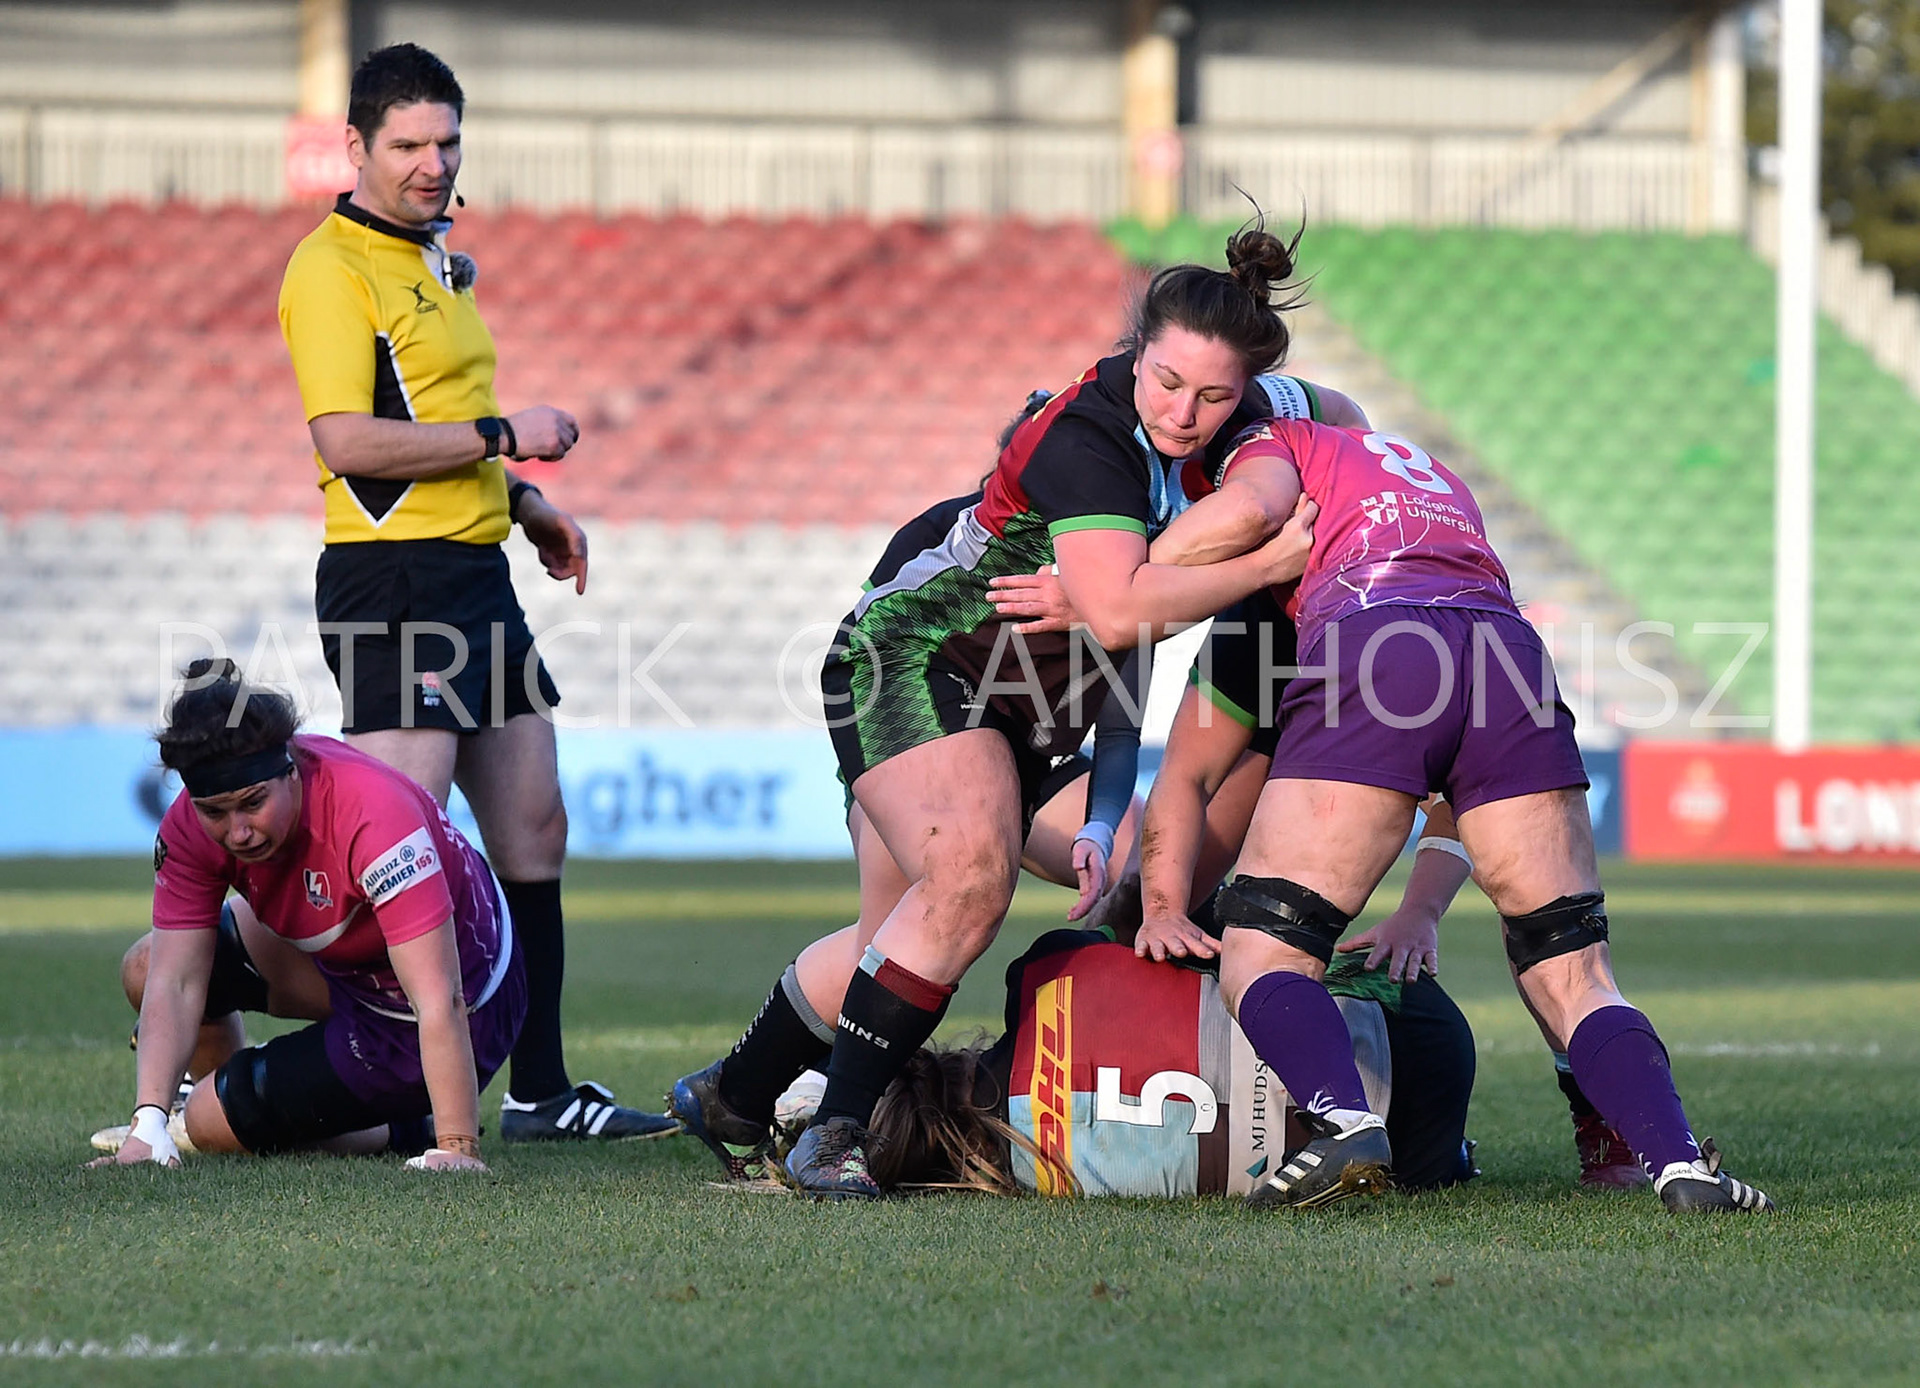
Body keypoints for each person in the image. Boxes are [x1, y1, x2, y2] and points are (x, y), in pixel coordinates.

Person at [1177, 416, 1773, 1213]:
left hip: (1377, 630)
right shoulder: (1414, 469)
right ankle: (1679, 1165)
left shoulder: (1269, 445)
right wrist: (1419, 909)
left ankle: (1347, 1124)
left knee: (1265, 945)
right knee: (1572, 969)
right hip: (1506, 646)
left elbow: (1228, 528)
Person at [276, 43, 671, 1140]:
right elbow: (349, 442)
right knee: (398, 856)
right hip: (392, 579)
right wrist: (508, 437)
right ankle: (302, 1031)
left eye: (447, 141)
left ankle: (540, 1089)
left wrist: (523, 503)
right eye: (408, 143)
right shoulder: (329, 269)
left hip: (472, 570)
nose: (433, 162)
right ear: (354, 147)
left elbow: (425, 419)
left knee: (532, 824)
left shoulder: (434, 257)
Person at [90, 661, 524, 1172]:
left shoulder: (371, 815)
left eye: (253, 804)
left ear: (291, 768)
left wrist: (457, 1147)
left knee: (207, 1123)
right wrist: (148, 1126)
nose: (238, 832)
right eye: (215, 812)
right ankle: (245, 1103)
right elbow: (178, 979)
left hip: (459, 1006)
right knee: (145, 966)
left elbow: (439, 995)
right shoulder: (188, 825)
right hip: (351, 965)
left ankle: (400, 1127)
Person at [779, 926, 1478, 1200]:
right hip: (1414, 1019)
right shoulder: (1044, 969)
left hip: (1419, 1156)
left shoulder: (1036, 1180)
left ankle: (1456, 1155)